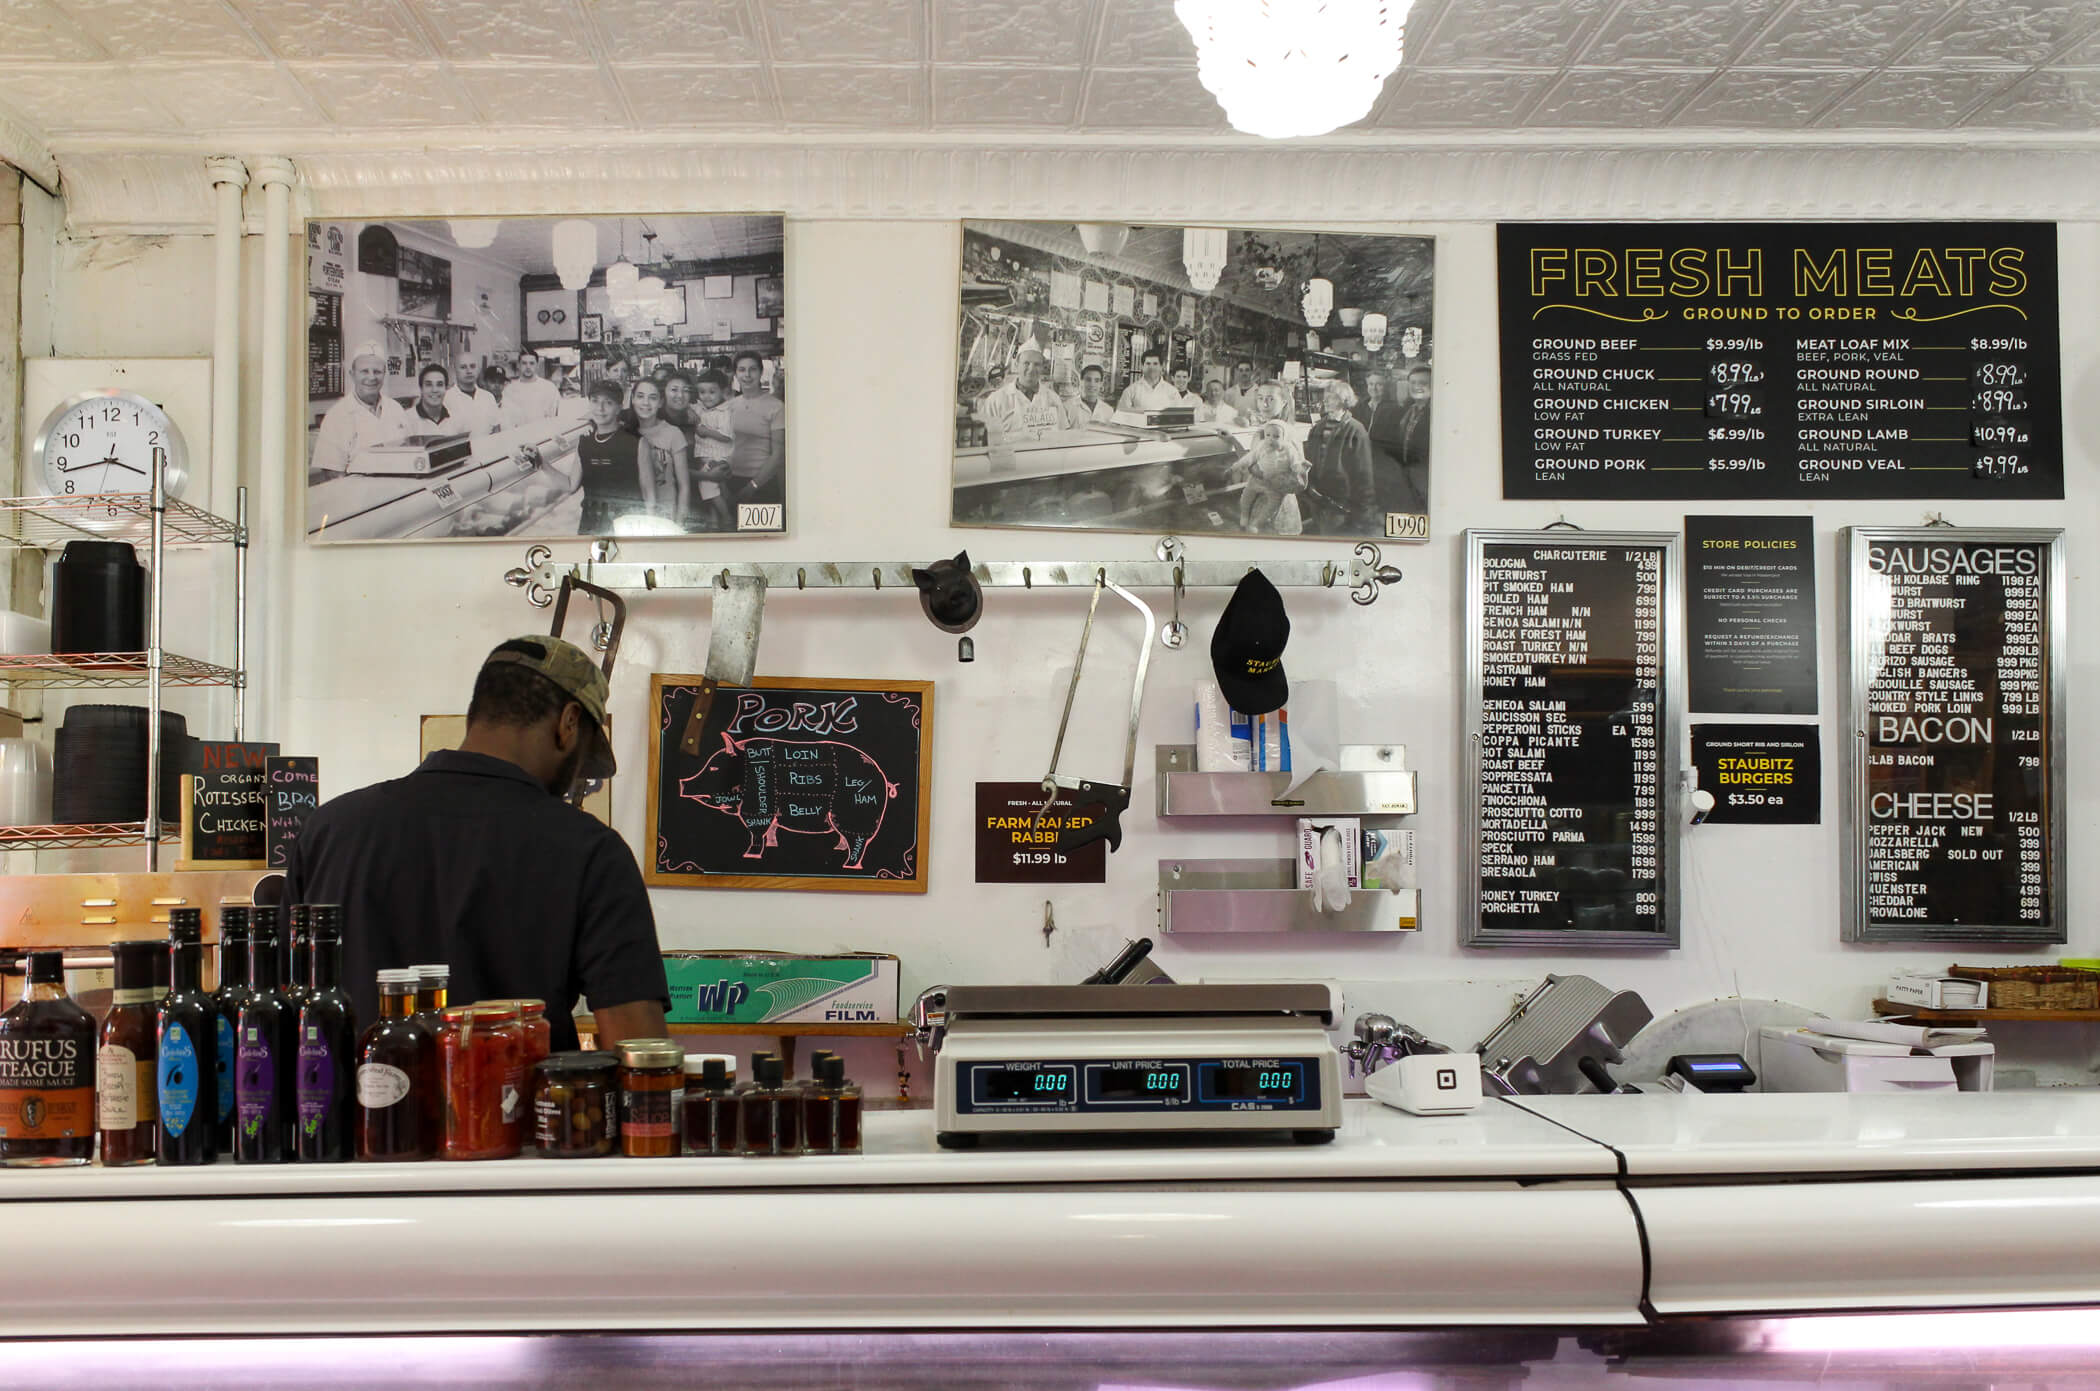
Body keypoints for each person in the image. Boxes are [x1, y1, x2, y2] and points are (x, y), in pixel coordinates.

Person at [283, 634, 670, 1050]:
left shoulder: (327, 831)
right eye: (582, 760)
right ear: (568, 723)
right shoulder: (592, 851)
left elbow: (282, 1012)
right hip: (517, 1112)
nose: (578, 779)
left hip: (353, 1112)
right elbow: (638, 1053)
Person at [310, 342, 411, 477]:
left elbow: (410, 451)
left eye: (377, 372)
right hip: (360, 494)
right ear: (352, 374)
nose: (371, 377)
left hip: (401, 488)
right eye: (364, 371)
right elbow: (333, 473)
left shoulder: (395, 408)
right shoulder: (337, 416)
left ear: (384, 374)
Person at [1302, 378, 1377, 536]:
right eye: (1325, 396)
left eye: (1332, 397)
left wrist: (1364, 510)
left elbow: (1364, 473)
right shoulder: (1317, 428)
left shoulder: (1356, 429)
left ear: (1344, 400)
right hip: (1317, 498)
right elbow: (1309, 462)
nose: (1326, 400)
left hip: (1341, 502)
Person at [574, 380, 648, 534]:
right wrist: (541, 463)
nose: (600, 408)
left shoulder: (636, 443)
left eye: (608, 402)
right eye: (595, 401)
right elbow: (570, 486)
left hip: (627, 522)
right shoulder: (585, 442)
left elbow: (649, 495)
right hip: (591, 522)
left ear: (619, 408)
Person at [725, 350, 786, 511]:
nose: (747, 375)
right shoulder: (729, 407)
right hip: (730, 482)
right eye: (742, 370)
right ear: (736, 375)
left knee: (763, 535)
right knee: (733, 533)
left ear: (760, 372)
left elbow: (778, 454)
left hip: (763, 485)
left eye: (753, 369)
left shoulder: (776, 407)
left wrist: (753, 486)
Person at [629, 377, 691, 525]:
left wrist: (679, 523)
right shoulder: (624, 432)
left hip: (666, 515)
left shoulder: (673, 433)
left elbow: (684, 486)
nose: (645, 403)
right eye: (640, 396)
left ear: (661, 402)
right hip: (633, 514)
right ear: (632, 399)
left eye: (652, 398)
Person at [980, 346, 1063, 446]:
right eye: (1026, 363)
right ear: (1016, 365)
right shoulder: (995, 400)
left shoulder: (1054, 399)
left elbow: (1063, 435)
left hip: (1045, 458)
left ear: (1042, 368)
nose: (1031, 369)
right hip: (1009, 459)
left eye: (1037, 364)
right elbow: (984, 439)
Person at [690, 371, 736, 532]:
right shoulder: (700, 408)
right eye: (702, 392)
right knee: (714, 489)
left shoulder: (725, 412)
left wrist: (707, 432)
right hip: (706, 458)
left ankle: (727, 517)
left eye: (712, 392)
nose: (706, 397)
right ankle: (715, 521)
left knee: (707, 486)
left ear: (723, 392)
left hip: (719, 457)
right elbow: (689, 409)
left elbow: (727, 436)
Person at [1389, 364, 1433, 515]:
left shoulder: (1437, 411)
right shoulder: (1408, 409)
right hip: (1408, 475)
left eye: (1423, 383)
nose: (1417, 387)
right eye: (1413, 383)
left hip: (1427, 477)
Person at [501, 348, 560, 428]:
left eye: (532, 363)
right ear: (518, 365)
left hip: (543, 435)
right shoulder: (509, 390)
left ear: (537, 365)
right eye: (524, 363)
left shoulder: (549, 388)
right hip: (518, 436)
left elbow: (554, 417)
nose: (528, 367)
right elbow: (506, 420)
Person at [444, 355, 501, 436]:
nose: (469, 371)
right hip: (459, 448)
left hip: (487, 447)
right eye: (463, 367)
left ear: (478, 369)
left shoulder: (488, 397)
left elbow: (496, 428)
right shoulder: (446, 398)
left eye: (472, 366)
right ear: (454, 370)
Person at [1116, 349, 1183, 414]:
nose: (1151, 367)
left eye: (1155, 364)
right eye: (1148, 363)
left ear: (1161, 367)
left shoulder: (1172, 391)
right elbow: (1121, 416)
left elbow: (1179, 417)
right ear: (1142, 367)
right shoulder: (1131, 391)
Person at [1064, 363, 1115, 427]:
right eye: (1088, 380)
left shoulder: (1108, 410)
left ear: (1101, 384)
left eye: (1097, 381)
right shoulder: (1067, 407)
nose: (1092, 384)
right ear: (1081, 381)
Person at [410, 365, 458, 432]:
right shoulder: (406, 420)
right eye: (428, 385)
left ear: (446, 388)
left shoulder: (456, 419)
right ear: (421, 388)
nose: (434, 390)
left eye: (439, 384)